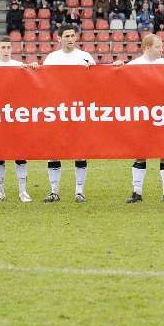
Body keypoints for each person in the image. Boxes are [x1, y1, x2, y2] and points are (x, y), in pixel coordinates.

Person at [113, 34, 164, 204]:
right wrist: (117, 68)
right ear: (147, 47)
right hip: (142, 115)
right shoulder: (133, 65)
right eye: (158, 47)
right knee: (140, 153)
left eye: (162, 46)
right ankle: (137, 192)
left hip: (162, 114)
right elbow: (118, 83)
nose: (162, 49)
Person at [42, 24, 95, 203]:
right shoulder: (52, 58)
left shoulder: (85, 57)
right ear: (59, 38)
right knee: (54, 150)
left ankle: (79, 191)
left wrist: (92, 71)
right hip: (57, 110)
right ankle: (54, 191)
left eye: (73, 35)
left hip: (78, 110)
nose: (71, 39)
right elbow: (43, 81)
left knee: (80, 151)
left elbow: (98, 80)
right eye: (67, 36)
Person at [0, 37, 35, 203]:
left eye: (8, 47)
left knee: (20, 154)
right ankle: (0, 191)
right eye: (3, 47)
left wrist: (34, 69)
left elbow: (30, 86)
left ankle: (23, 191)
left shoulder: (19, 66)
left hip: (16, 116)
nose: (6, 50)